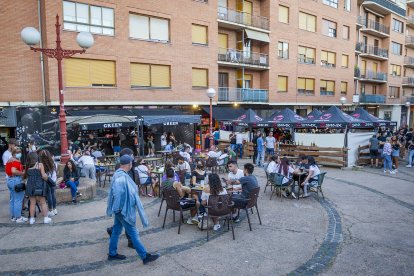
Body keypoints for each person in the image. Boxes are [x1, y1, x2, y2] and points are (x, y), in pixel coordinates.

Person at [107, 154, 160, 264]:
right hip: (122, 210)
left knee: (116, 231)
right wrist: (119, 209)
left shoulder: (119, 174)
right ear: (129, 164)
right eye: (132, 163)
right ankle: (144, 256)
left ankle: (112, 254)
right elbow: (117, 194)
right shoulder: (121, 177)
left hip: (120, 209)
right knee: (133, 233)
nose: (132, 164)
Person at [25, 152, 52, 224]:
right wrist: (47, 178)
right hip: (39, 185)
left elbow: (26, 176)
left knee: (32, 203)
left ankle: (32, 219)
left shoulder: (27, 166)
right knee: (43, 202)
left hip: (30, 186)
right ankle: (46, 218)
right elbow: (43, 175)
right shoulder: (40, 165)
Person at [6, 148, 27, 223]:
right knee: (18, 199)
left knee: (13, 200)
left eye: (20, 152)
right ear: (14, 153)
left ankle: (13, 217)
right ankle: (18, 217)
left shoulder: (10, 160)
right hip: (16, 180)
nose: (19, 153)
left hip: (9, 180)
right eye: (18, 152)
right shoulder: (15, 161)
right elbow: (13, 171)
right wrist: (23, 173)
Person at [39, 150, 58, 216]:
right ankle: (55, 209)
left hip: (47, 182)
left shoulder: (42, 165)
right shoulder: (54, 163)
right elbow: (56, 173)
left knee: (49, 196)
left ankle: (50, 210)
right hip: (53, 181)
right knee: (53, 195)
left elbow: (43, 175)